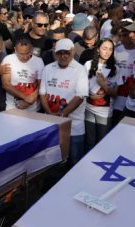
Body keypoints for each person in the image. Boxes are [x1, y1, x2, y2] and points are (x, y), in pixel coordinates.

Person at [39, 38, 88, 166]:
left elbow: (80, 97)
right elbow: (43, 93)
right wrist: (50, 114)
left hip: (74, 126)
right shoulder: (48, 68)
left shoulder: (80, 70)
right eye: (60, 53)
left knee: (75, 161)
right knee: (52, 162)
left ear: (73, 52)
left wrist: (61, 115)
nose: (63, 56)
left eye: (66, 52)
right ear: (55, 53)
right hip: (51, 123)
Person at [84, 38, 123, 150]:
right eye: (104, 48)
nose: (107, 52)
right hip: (88, 108)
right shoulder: (88, 64)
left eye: (110, 49)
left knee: (102, 142)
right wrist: (90, 96)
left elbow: (115, 93)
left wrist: (103, 84)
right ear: (98, 49)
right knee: (89, 141)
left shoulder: (115, 69)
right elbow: (81, 87)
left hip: (105, 111)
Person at [1, 37, 44, 111]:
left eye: (27, 53)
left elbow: (41, 85)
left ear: (31, 49)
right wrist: (25, 98)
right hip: (12, 107)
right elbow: (6, 84)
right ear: (15, 50)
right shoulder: (8, 60)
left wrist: (30, 101)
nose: (25, 57)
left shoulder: (39, 61)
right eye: (21, 54)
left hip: (34, 109)